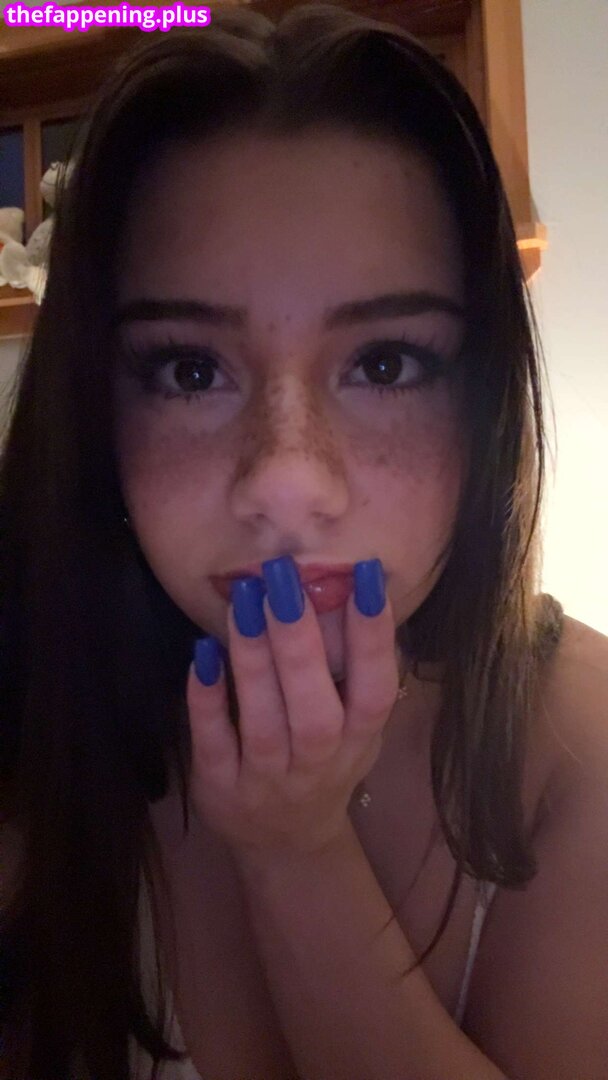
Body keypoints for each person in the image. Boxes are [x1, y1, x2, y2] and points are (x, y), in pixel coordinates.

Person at [1, 3, 607, 1077]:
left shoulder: (579, 745)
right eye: (190, 370)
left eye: (384, 364)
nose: (286, 479)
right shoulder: (36, 715)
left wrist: (296, 848)